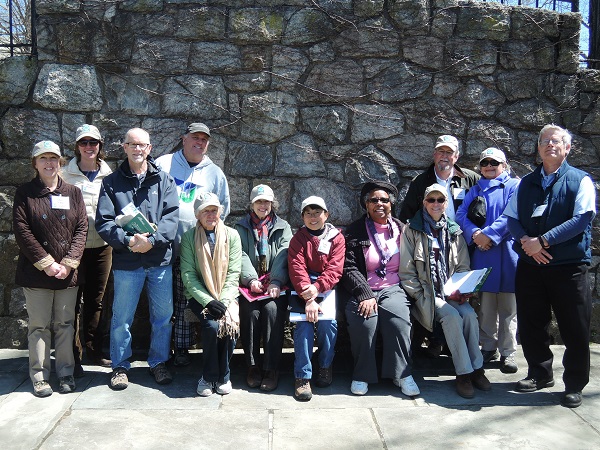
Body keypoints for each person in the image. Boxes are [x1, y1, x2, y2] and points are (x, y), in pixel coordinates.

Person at [504, 124, 596, 409]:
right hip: (531, 266)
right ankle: (540, 374)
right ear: (539, 148)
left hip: (568, 267)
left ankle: (575, 384)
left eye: (556, 141)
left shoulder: (581, 180)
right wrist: (525, 241)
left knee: (574, 328)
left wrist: (542, 241)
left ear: (567, 148)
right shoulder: (525, 183)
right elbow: (511, 219)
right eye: (544, 141)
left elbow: (582, 218)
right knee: (532, 325)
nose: (549, 145)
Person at [96, 128, 179, 390]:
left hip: (159, 261)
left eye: (142, 145)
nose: (137, 149)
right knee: (121, 318)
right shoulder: (111, 183)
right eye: (132, 144)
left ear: (150, 148)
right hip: (127, 261)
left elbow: (171, 218)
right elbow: (104, 222)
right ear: (124, 147)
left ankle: (158, 362)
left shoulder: (164, 181)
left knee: (163, 317)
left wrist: (151, 242)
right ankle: (120, 366)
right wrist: (130, 241)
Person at [400, 184, 491, 399]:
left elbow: (462, 266)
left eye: (440, 200)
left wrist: (461, 289)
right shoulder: (412, 229)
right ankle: (463, 374)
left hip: (452, 292)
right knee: (451, 317)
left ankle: (477, 369)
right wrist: (423, 296)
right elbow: (407, 272)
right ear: (424, 202)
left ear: (446, 204)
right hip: (427, 295)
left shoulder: (454, 231)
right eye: (431, 200)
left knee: (469, 315)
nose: (435, 204)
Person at [13, 141, 88, 397]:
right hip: (36, 273)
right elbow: (22, 232)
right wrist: (47, 264)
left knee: (65, 324)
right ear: (35, 163)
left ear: (61, 162)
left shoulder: (73, 193)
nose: (49, 163)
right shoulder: (25, 193)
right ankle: (39, 377)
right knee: (39, 326)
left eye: (53, 158)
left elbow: (81, 229)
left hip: (67, 273)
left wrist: (68, 263)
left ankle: (65, 373)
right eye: (43, 158)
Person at [155, 122, 230, 367]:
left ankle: (187, 347)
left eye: (204, 140)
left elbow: (223, 210)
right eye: (194, 138)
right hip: (163, 248)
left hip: (197, 249)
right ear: (183, 139)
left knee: (189, 299)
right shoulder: (163, 164)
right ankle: (170, 351)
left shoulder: (215, 173)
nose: (199, 143)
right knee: (166, 304)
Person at [398, 135, 480, 358]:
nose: (444, 156)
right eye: (440, 152)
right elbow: (407, 215)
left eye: (449, 152)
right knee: (438, 295)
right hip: (426, 243)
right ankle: (439, 343)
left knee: (461, 305)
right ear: (434, 155)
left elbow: (482, 209)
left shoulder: (470, 179)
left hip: (459, 242)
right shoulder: (421, 182)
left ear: (457, 156)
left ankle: (464, 357)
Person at [339, 181, 419, 397]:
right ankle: (362, 375)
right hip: (363, 289)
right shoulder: (355, 230)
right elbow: (348, 266)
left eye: (384, 200)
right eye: (374, 200)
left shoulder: (402, 229)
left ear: (392, 204)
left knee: (398, 321)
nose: (379, 204)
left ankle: (401, 374)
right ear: (366, 205)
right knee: (365, 323)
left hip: (393, 287)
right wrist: (364, 294)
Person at [456, 148, 520, 374]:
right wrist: (475, 235)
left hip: (508, 252)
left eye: (494, 162)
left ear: (504, 164)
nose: (489, 166)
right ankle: (488, 346)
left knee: (509, 307)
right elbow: (461, 215)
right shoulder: (474, 189)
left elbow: (511, 215)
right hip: (483, 253)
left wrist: (488, 236)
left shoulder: (514, 186)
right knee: (486, 306)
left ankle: (508, 352)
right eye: (485, 163)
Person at [61, 125, 113, 373]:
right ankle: (73, 355)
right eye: (84, 143)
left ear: (100, 145)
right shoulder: (64, 174)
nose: (89, 147)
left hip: (102, 247)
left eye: (94, 142)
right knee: (72, 301)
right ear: (77, 146)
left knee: (97, 300)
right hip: (74, 248)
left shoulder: (108, 174)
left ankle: (94, 350)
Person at [180, 192, 242, 397]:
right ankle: (208, 377)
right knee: (211, 325)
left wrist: (223, 301)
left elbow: (234, 272)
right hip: (200, 296)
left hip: (226, 294)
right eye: (205, 211)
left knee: (229, 324)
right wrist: (208, 301)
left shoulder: (232, 235)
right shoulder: (189, 237)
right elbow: (188, 275)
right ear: (197, 214)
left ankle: (224, 375)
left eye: (214, 210)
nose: (210, 215)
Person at [235, 184, 292, 391]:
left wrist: (276, 280)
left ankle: (271, 368)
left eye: (266, 202)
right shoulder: (240, 227)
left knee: (271, 311)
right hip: (250, 284)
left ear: (272, 204)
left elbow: (285, 252)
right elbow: (239, 253)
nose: (263, 205)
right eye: (259, 201)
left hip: (276, 284)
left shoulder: (283, 226)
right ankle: (252, 366)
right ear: (252, 204)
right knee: (250, 314)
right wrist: (250, 279)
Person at [287, 196, 345, 401]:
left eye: (317, 213)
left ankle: (325, 366)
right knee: (303, 326)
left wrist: (318, 288)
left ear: (326, 215)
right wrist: (309, 298)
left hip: (326, 287)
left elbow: (335, 269)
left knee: (328, 324)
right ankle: (302, 376)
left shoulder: (336, 238)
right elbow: (296, 268)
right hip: (302, 288)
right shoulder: (298, 239)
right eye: (308, 213)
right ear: (302, 217)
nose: (313, 217)